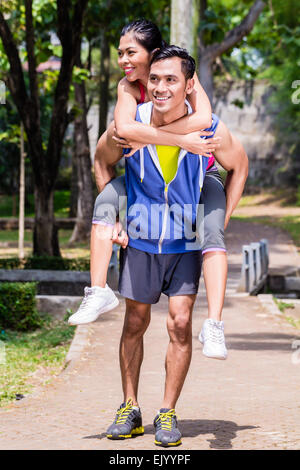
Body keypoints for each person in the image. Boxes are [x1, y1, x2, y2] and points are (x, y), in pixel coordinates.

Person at [104, 46, 248, 447]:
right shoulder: (130, 122)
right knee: (135, 322)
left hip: (185, 242)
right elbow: (102, 159)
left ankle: (166, 413)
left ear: (189, 85)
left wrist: (222, 218)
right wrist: (114, 213)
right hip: (141, 237)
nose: (161, 87)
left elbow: (240, 165)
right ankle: (129, 407)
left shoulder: (209, 129)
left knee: (181, 323)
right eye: (155, 78)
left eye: (171, 80)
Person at [68, 19, 228, 360]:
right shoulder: (126, 88)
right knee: (106, 205)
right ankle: (98, 290)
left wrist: (151, 135)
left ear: (152, 53)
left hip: (190, 174)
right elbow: (123, 130)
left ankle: (215, 323)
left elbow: (204, 119)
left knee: (210, 236)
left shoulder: (181, 74)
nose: (124, 61)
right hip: (142, 176)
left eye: (131, 53)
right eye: (120, 53)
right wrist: (178, 138)